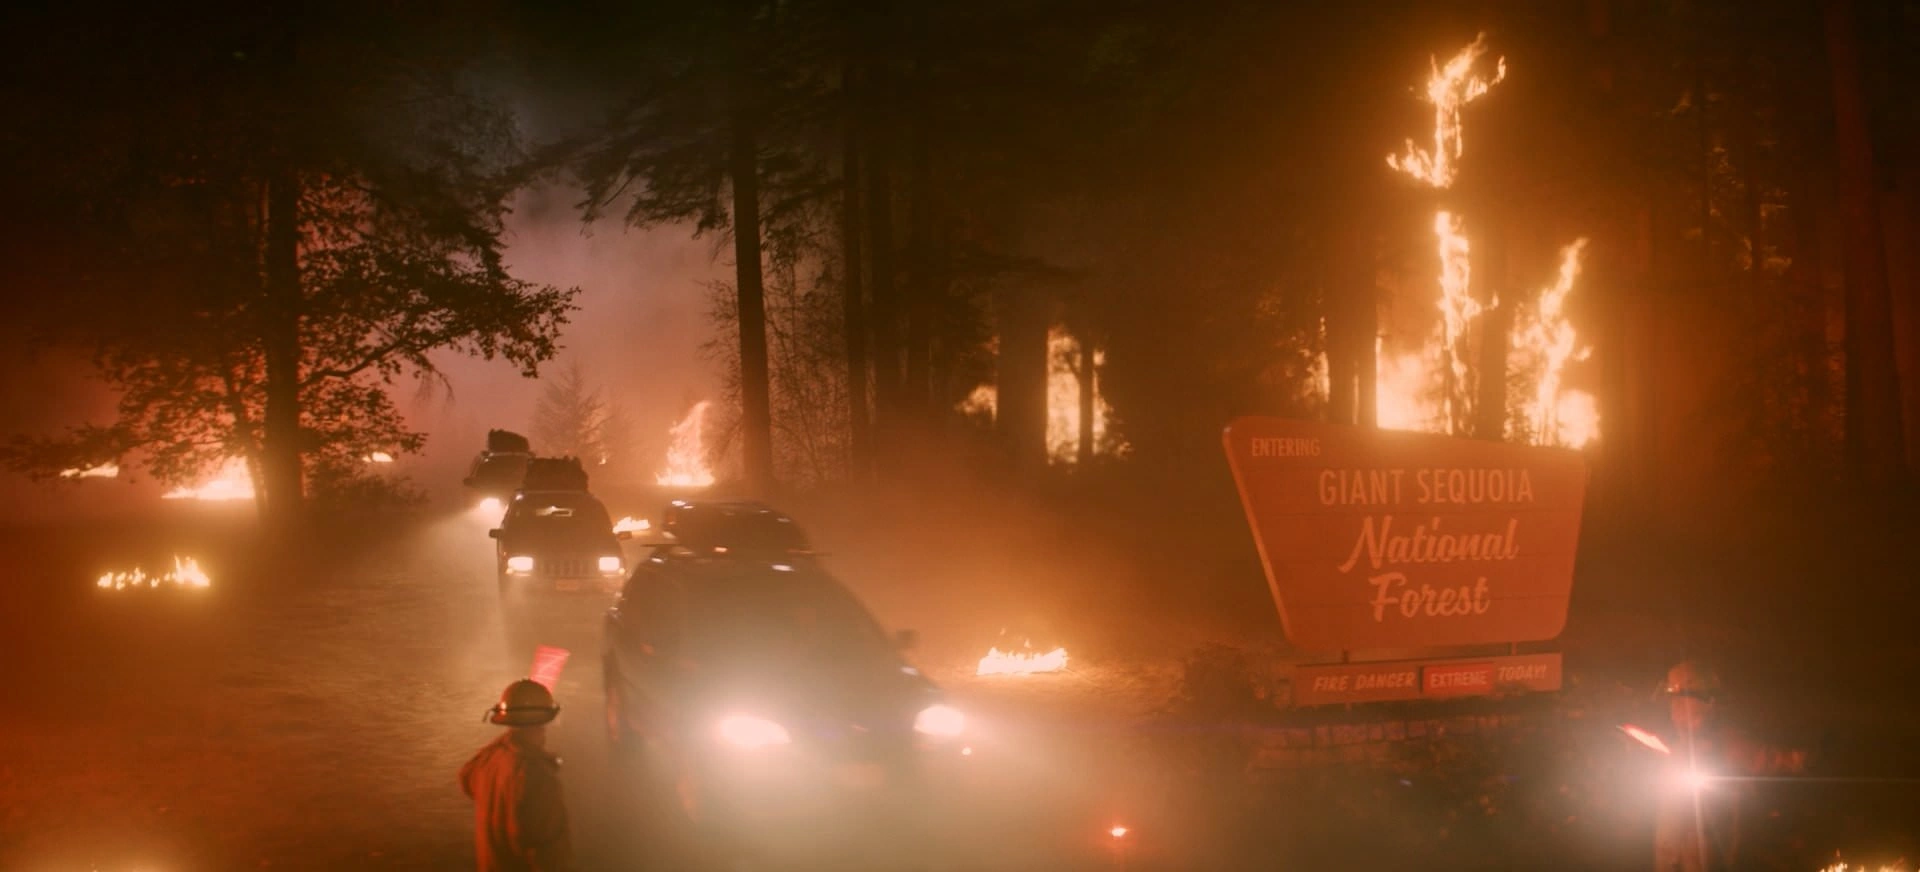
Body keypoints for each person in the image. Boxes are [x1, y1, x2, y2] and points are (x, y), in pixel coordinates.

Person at [1652, 660, 1806, 872]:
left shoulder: (1727, 745)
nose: (1676, 708)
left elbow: (1772, 760)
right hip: (1672, 857)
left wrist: (1800, 759)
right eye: (1674, 701)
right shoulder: (1675, 750)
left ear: (1706, 702)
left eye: (1683, 699)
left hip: (1709, 857)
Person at [461, 679, 573, 872]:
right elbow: (548, 854)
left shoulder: (489, 759)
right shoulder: (538, 777)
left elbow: (466, 780)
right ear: (543, 722)